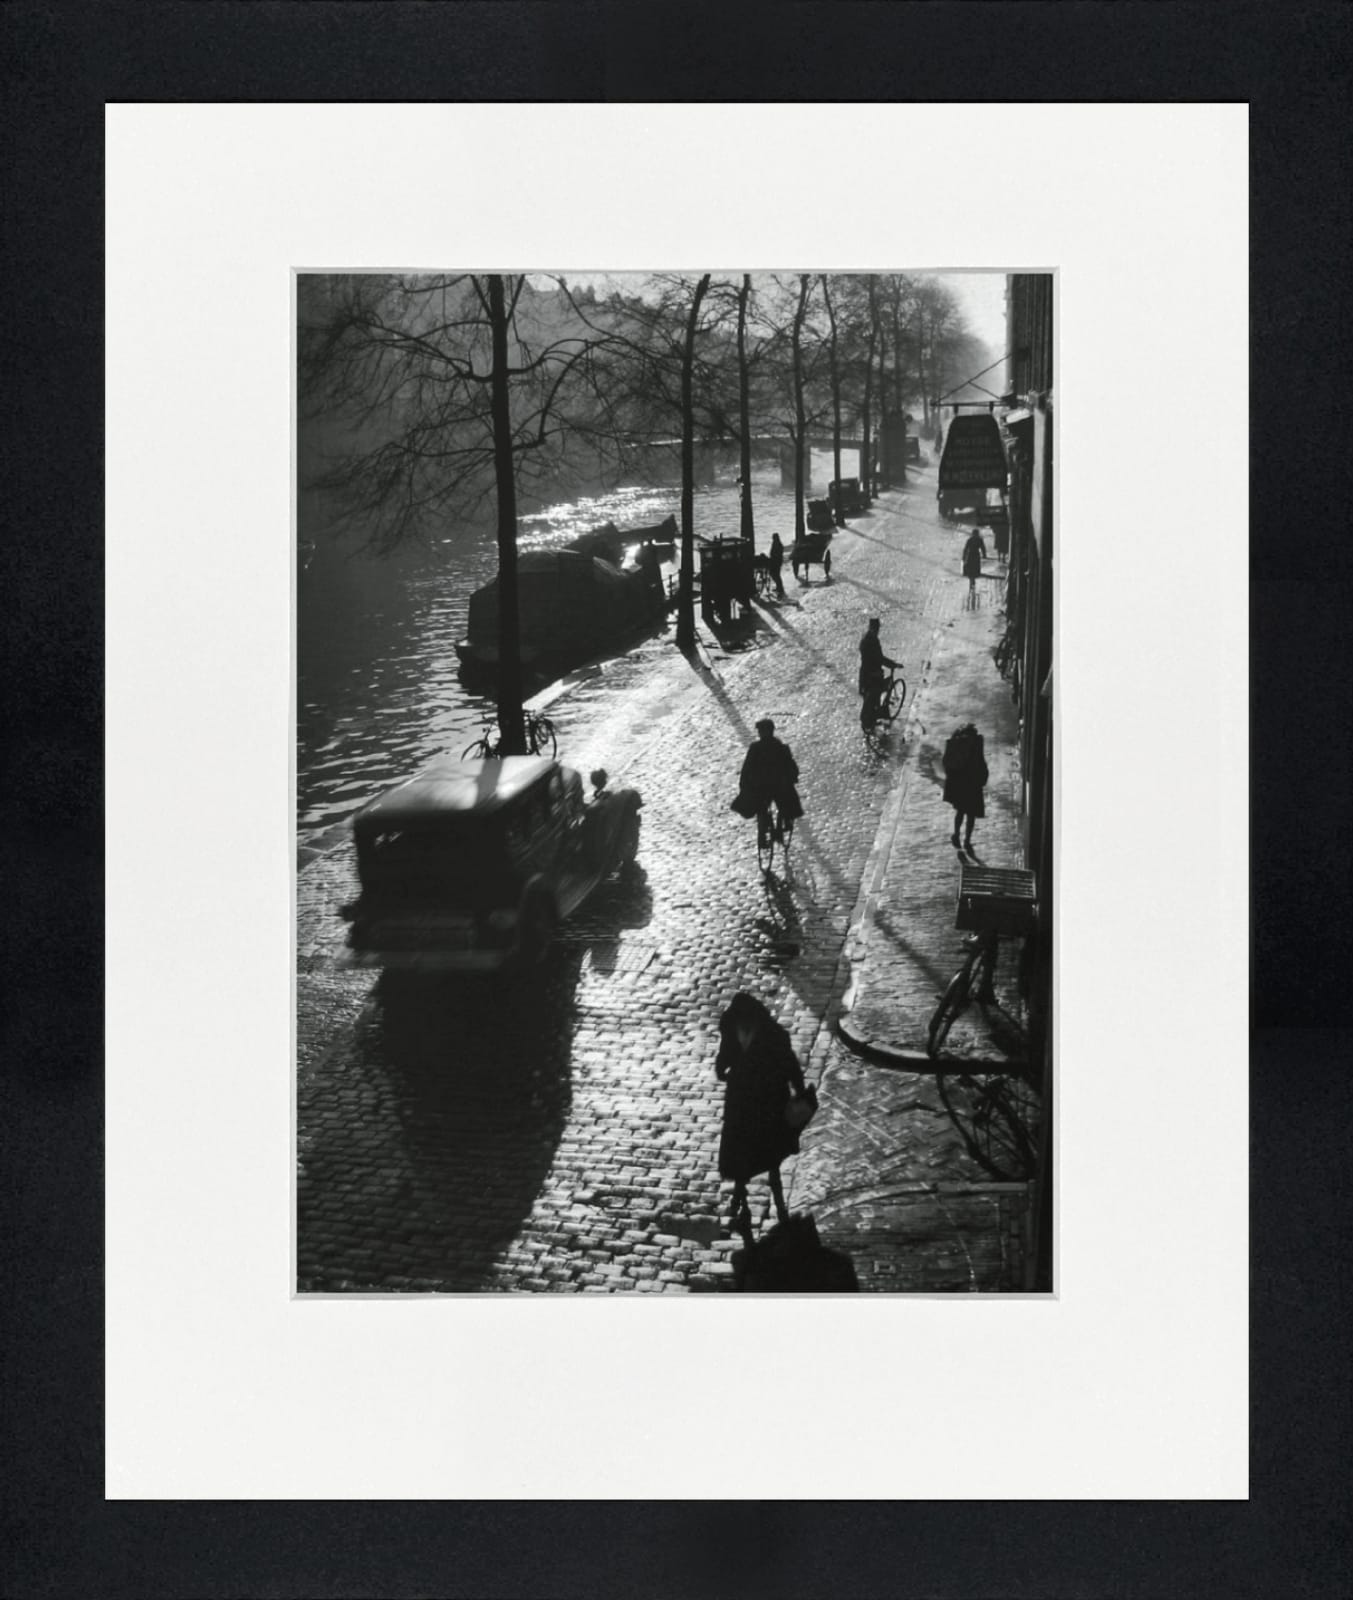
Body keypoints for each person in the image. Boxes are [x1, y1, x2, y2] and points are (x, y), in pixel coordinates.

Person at [715, 992, 809, 1247]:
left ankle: (770, 1202)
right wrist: (722, 1068)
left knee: (766, 1153)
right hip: (744, 1103)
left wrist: (799, 1092)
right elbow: (724, 1057)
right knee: (745, 1151)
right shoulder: (735, 1029)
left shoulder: (773, 1036)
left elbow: (790, 1066)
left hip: (766, 1103)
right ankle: (746, 1198)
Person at [735, 718, 803, 846]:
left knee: (761, 807)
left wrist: (744, 784)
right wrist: (792, 778)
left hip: (761, 788)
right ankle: (786, 820)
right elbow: (791, 766)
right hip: (779, 786)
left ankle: (763, 834)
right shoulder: (781, 747)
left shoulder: (755, 748)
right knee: (787, 801)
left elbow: (747, 768)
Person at [942, 722, 989, 852]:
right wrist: (983, 777)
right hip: (973, 783)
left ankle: (956, 834)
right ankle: (967, 840)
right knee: (971, 815)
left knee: (960, 812)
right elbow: (981, 762)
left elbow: (948, 763)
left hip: (960, 783)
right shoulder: (976, 743)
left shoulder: (957, 744)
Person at [857, 617, 901, 731]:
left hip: (865, 675)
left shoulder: (865, 639)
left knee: (870, 698)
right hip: (873, 675)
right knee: (874, 695)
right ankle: (870, 720)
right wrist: (893, 665)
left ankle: (870, 721)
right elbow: (879, 658)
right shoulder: (872, 641)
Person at [962, 526, 987, 603]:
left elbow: (965, 548)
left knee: (970, 569)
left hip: (970, 556)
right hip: (976, 556)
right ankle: (973, 581)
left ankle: (971, 581)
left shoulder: (970, 540)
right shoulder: (979, 540)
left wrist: (963, 556)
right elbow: (983, 548)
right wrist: (984, 555)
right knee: (974, 568)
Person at [768, 530, 786, 598]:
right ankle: (779, 587)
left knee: (776, 575)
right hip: (775, 561)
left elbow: (776, 554)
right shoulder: (776, 544)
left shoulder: (778, 545)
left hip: (776, 562)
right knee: (775, 575)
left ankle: (780, 588)